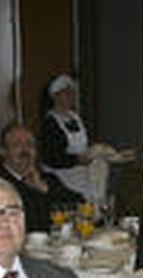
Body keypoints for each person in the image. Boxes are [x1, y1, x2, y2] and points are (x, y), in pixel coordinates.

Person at [0, 121, 84, 233]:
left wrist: (44, 188)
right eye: (17, 144)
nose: (25, 150)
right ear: (4, 152)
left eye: (30, 144)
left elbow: (81, 205)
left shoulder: (47, 178)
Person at [39, 73, 99, 202]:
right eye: (67, 93)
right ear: (55, 96)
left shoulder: (75, 117)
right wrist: (76, 160)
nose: (72, 96)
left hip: (81, 175)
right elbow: (50, 157)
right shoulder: (49, 122)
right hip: (60, 178)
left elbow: (84, 144)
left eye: (72, 93)